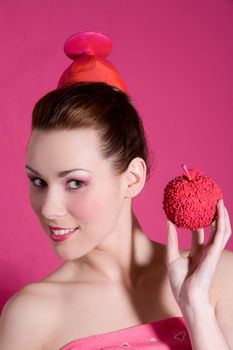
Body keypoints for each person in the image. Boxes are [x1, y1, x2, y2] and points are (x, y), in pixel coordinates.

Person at [0, 32, 232, 350]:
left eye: (75, 182)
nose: (49, 209)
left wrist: (196, 307)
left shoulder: (221, 277)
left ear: (132, 178)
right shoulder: (29, 316)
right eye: (39, 182)